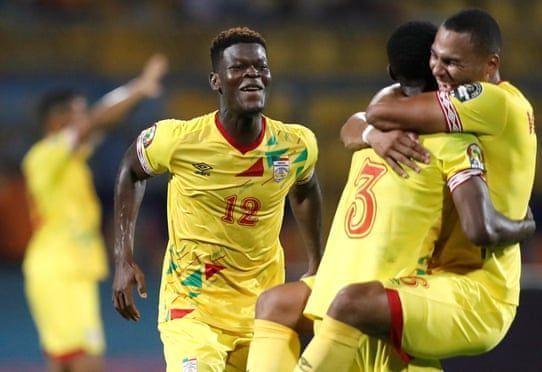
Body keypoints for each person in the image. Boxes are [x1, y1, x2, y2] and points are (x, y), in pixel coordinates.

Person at [247, 11, 536, 371]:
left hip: (476, 288)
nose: (441, 70)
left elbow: (481, 229)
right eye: (436, 59)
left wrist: (524, 227)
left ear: (491, 63)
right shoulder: (412, 135)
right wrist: (370, 132)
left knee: (353, 303)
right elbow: (366, 118)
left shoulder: (478, 116)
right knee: (278, 302)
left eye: (451, 62)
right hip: (429, 278)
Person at [112, 27, 324, 371]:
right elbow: (131, 169)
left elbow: (306, 187)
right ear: (216, 80)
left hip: (264, 311)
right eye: (238, 67)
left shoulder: (296, 144)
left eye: (260, 67)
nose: (252, 74)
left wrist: (317, 264)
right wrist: (124, 257)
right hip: (192, 307)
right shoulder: (178, 139)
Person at [22, 54, 168, 372]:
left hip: (63, 269)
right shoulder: (45, 156)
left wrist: (134, 92)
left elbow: (101, 121)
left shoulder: (67, 159)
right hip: (60, 270)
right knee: (86, 359)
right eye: (78, 114)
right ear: (57, 120)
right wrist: (140, 88)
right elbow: (98, 120)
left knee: (65, 360)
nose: (85, 118)